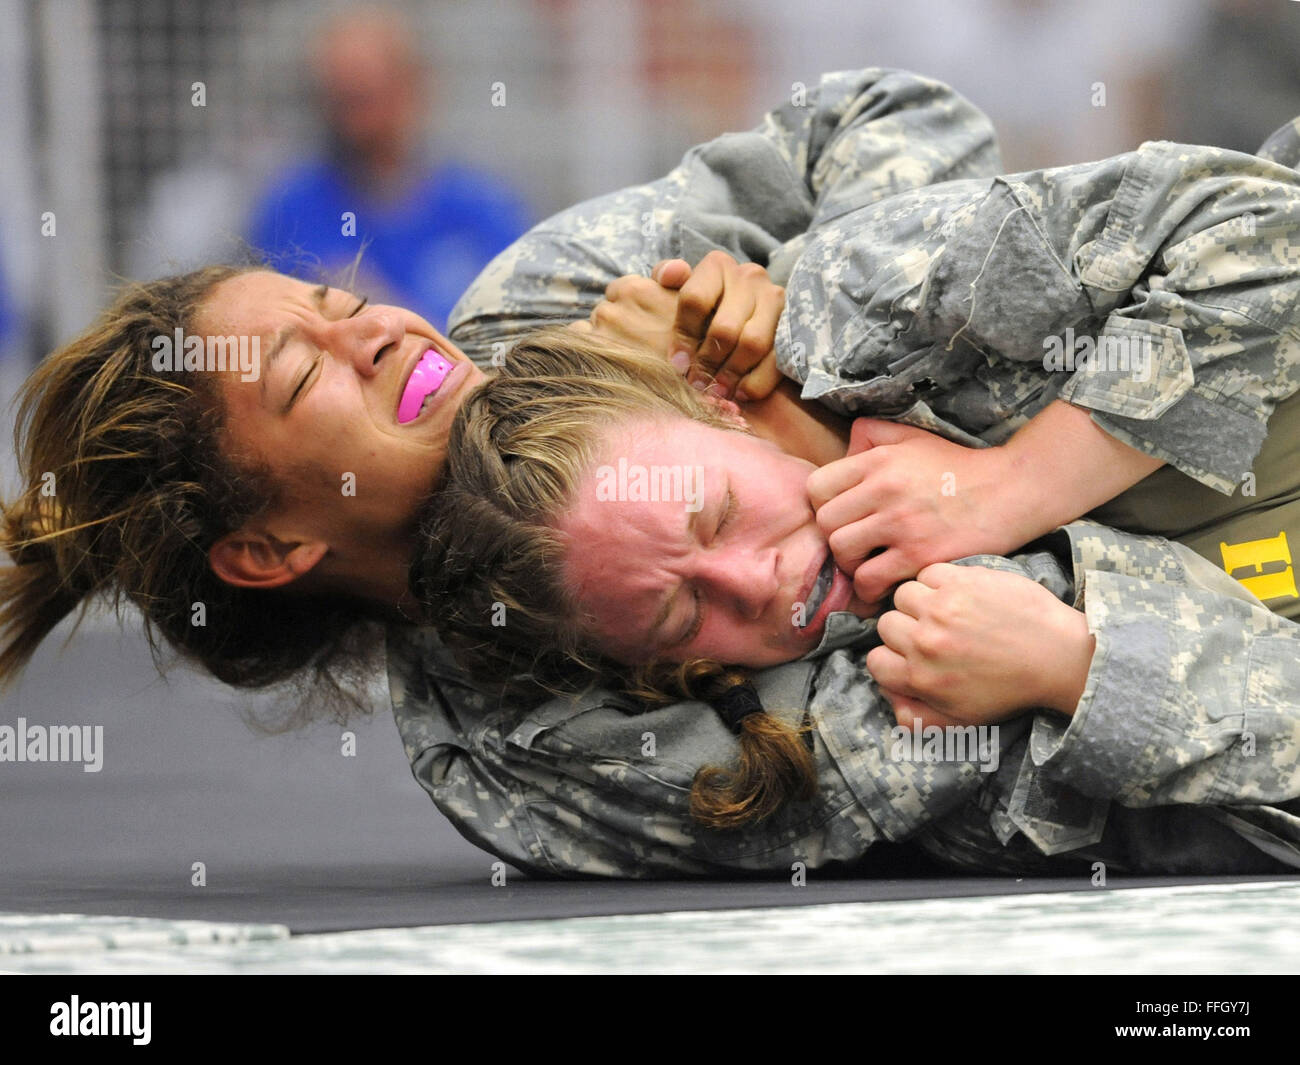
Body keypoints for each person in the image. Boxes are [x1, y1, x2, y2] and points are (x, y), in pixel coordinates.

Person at [2, 67, 1297, 877]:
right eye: (305, 380)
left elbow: (889, 117)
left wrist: (813, 299)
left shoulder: (563, 301)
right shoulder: (534, 754)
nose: (377, 328)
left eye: (328, 302)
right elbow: (1002, 730)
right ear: (269, 548)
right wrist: (806, 445)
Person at [411, 330, 1300, 877]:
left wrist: (1012, 484)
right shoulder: (924, 707)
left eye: (719, 513)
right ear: (668, 672)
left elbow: (1253, 229)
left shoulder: (912, 342)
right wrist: (1072, 671)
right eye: (684, 617)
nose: (753, 581)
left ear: (722, 409)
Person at [247, 7, 531, 331]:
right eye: (340, 98)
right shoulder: (291, 211)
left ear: (413, 86)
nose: (356, 122)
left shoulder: (483, 207)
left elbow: (518, 330)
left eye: (365, 96)